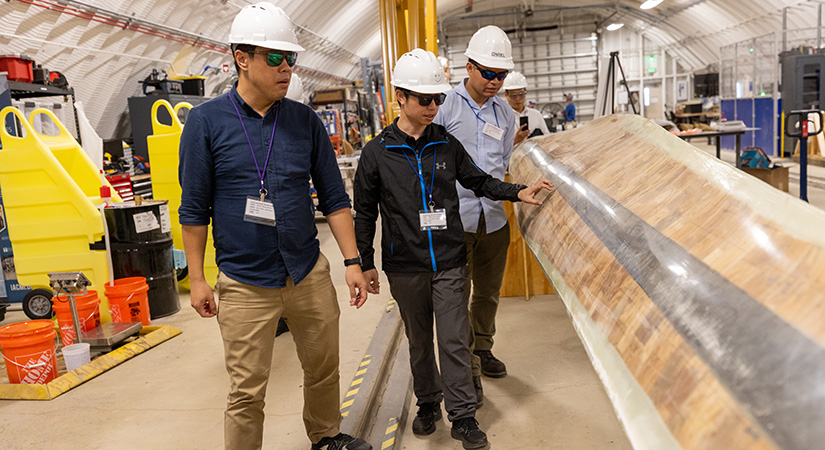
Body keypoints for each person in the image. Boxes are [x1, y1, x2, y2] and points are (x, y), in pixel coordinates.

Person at [178, 3, 372, 450]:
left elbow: (335, 198)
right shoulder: (206, 123)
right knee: (246, 391)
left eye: (291, 59)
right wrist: (198, 278)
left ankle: (325, 437)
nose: (286, 68)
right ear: (241, 58)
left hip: (307, 271)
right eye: (274, 58)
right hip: (245, 281)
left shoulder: (304, 121)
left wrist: (352, 261)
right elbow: (194, 209)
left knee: (323, 367)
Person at [354, 48, 553, 450]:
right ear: (400, 97)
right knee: (419, 341)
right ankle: (428, 403)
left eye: (438, 100)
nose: (432, 107)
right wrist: (363, 263)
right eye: (424, 100)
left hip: (448, 259)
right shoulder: (377, 153)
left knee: (454, 338)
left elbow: (479, 181)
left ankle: (462, 416)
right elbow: (364, 212)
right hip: (404, 264)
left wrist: (518, 192)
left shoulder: (445, 144)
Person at [433, 25, 516, 401]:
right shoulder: (445, 107)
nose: (495, 82)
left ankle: (483, 347)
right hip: (457, 221)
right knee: (456, 298)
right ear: (469, 67)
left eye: (501, 75)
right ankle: (467, 366)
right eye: (488, 73)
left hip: (494, 219)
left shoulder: (507, 115)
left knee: (488, 293)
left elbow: (504, 166)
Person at [503, 71, 550, 145]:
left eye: (521, 94)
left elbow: (548, 139)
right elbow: (496, 149)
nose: (518, 99)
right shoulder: (501, 117)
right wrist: (515, 140)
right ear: (506, 94)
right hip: (512, 156)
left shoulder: (536, 115)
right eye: (513, 95)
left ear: (525, 92)